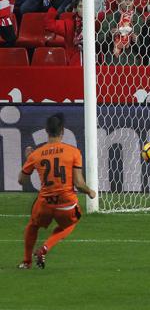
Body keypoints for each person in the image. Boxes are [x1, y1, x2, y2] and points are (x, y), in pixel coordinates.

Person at [17, 113, 96, 270]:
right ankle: (45, 247)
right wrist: (90, 192)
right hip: (66, 203)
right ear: (63, 131)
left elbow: (21, 180)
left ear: (46, 131)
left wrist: (28, 159)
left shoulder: (36, 154)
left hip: (45, 203)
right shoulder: (73, 152)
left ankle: (26, 262)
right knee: (70, 224)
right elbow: (79, 183)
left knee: (32, 226)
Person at [97, 0, 143, 65]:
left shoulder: (140, 20)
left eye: (130, 0)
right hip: (112, 62)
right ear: (119, 1)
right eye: (125, 0)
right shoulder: (109, 18)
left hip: (132, 62)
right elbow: (99, 41)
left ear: (133, 1)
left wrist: (136, 40)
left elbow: (145, 46)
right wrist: (110, 34)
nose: (128, 3)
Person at [44, 0, 83, 65]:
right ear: (75, 9)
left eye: (87, 6)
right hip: (74, 59)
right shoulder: (68, 24)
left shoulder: (97, 22)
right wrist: (54, 7)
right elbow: (49, 25)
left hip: (94, 58)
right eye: (80, 6)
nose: (84, 9)